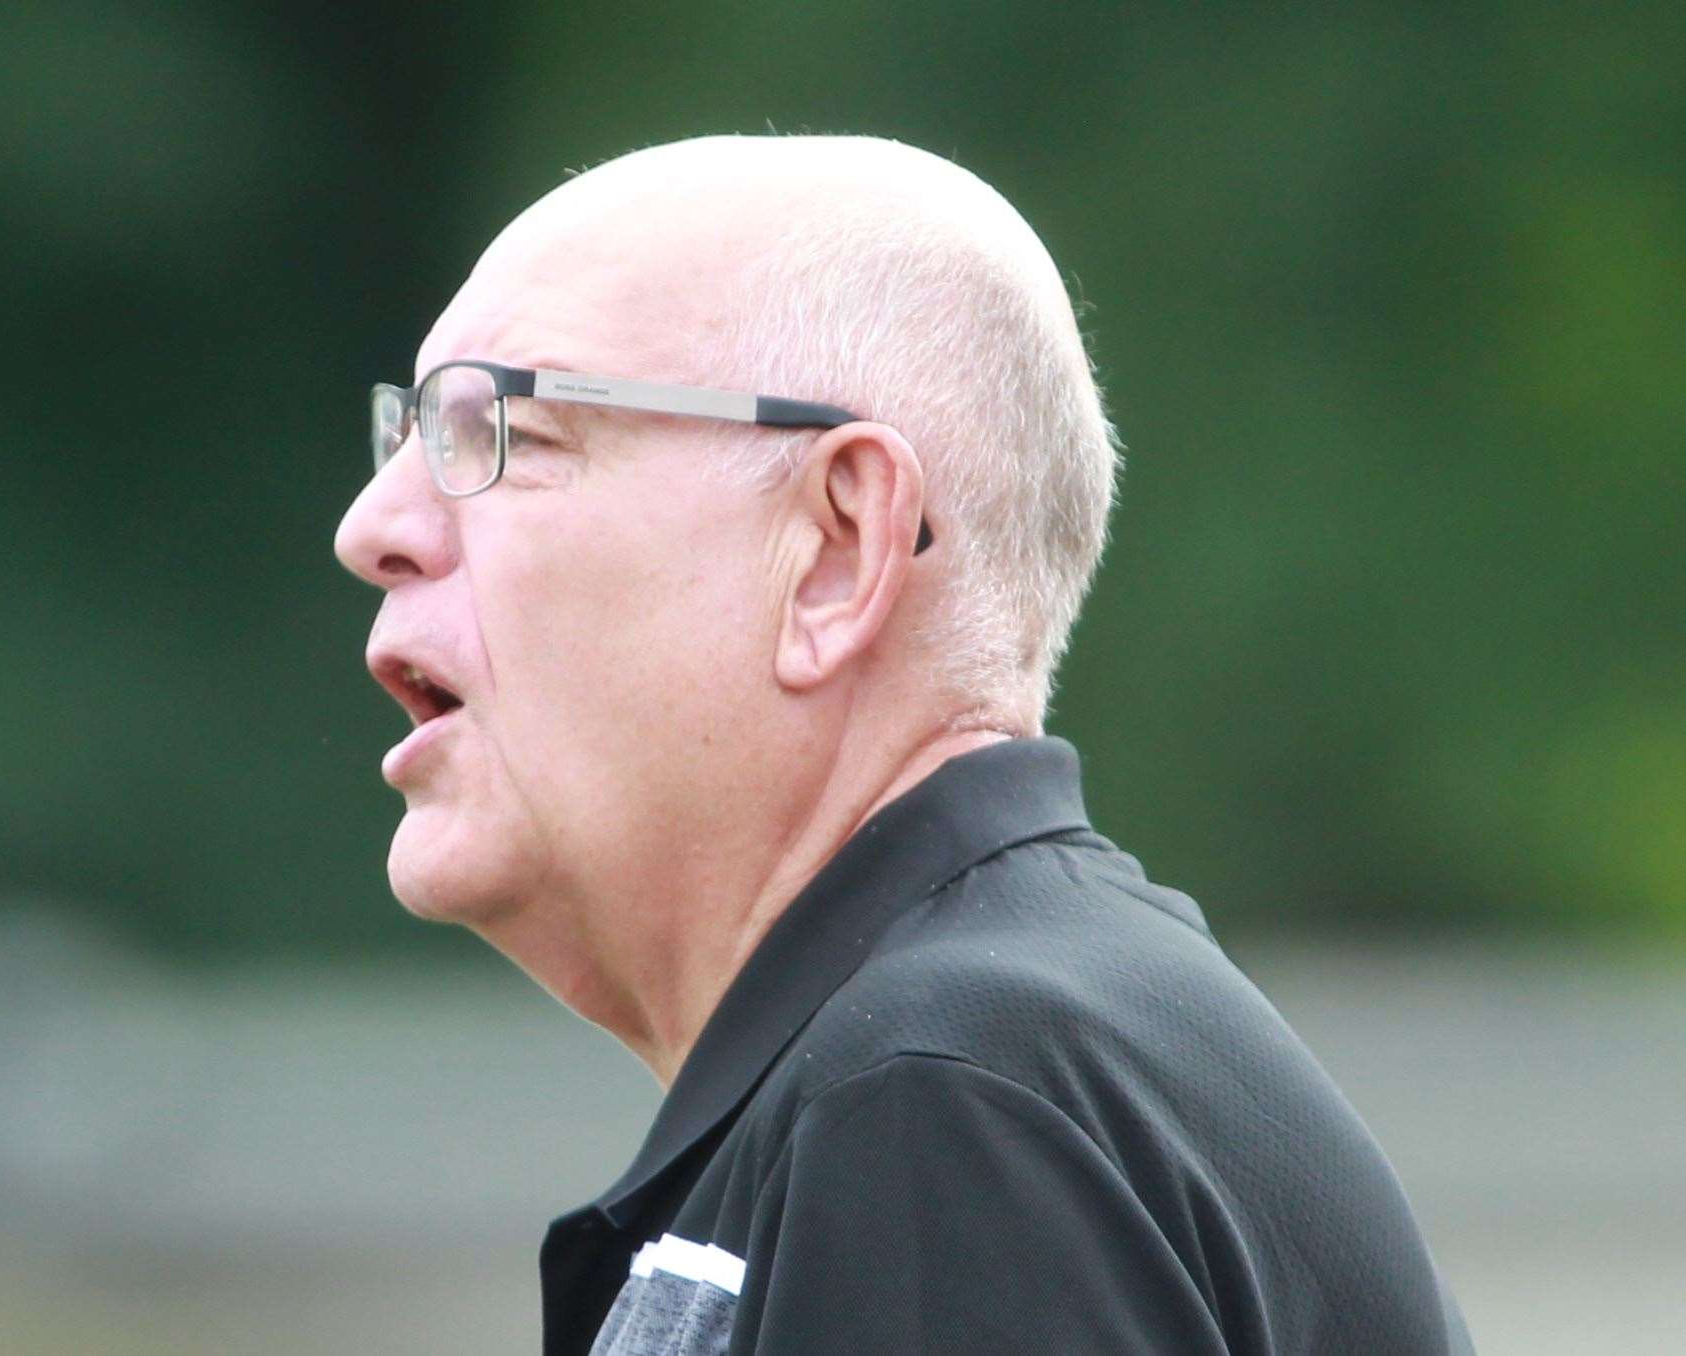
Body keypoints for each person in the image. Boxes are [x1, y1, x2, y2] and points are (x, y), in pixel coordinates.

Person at [334, 134, 1471, 1355]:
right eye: (407, 439)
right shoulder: (1001, 1058)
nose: (373, 526)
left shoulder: (937, 1101)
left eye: (506, 433)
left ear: (834, 548)